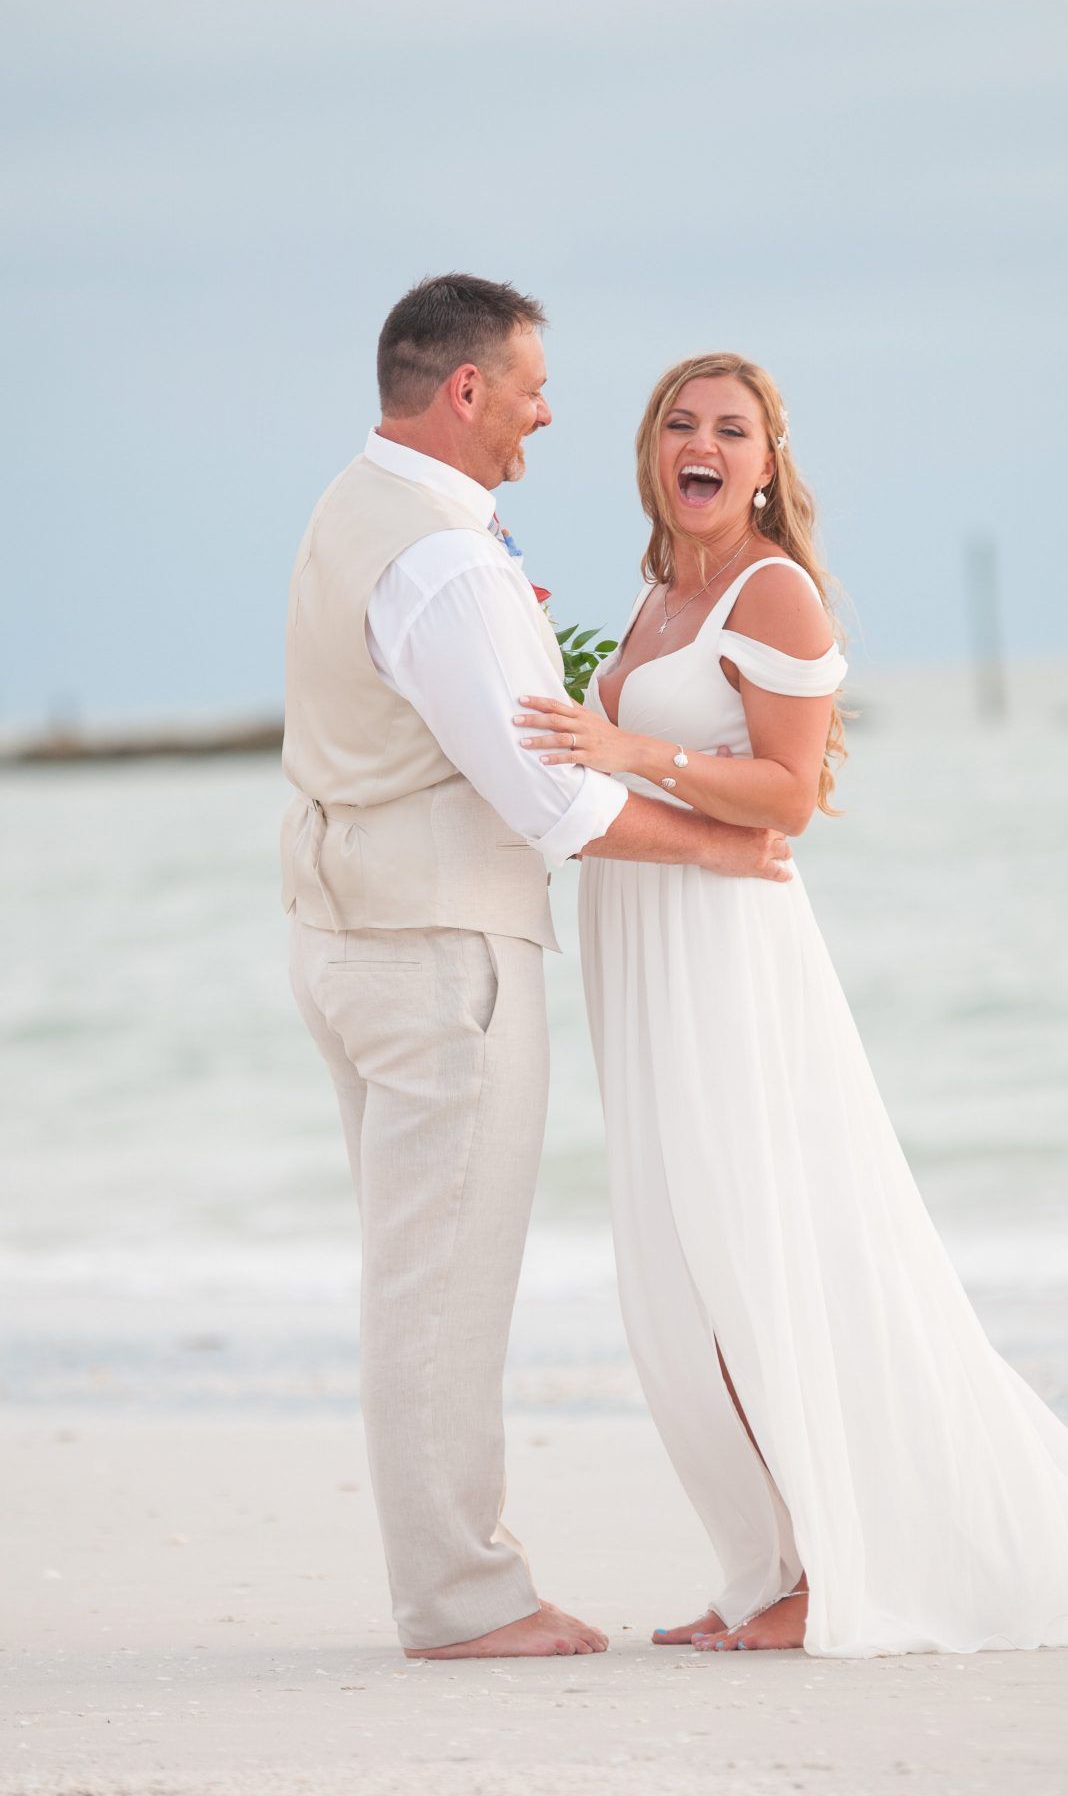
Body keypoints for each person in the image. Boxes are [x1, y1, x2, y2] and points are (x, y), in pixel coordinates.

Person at [512, 350, 1068, 1656]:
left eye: (733, 428)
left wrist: (635, 750)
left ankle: (831, 1571)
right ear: (653, 453)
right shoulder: (661, 594)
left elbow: (788, 798)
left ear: (768, 466)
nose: (702, 443)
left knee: (758, 1253)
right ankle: (763, 1569)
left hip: (726, 953)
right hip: (645, 943)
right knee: (685, 1274)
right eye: (680, 422)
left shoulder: (774, 596)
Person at [281, 284, 793, 1662]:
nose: (547, 411)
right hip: (442, 957)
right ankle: (464, 1601)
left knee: (413, 1277)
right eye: (529, 387)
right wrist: (714, 848)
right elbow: (549, 801)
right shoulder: (447, 563)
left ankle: (456, 1588)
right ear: (465, 393)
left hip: (345, 940)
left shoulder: (351, 507)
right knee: (442, 1288)